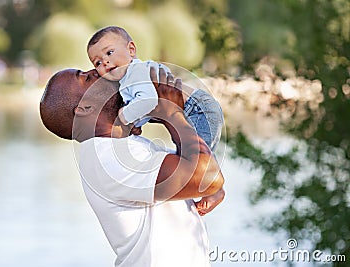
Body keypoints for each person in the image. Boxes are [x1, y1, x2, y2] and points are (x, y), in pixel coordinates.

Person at [40, 67, 225, 267]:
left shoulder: (117, 148)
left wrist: (162, 111)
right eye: (85, 77)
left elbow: (199, 173)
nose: (97, 70)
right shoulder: (108, 159)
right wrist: (171, 112)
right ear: (84, 108)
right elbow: (208, 177)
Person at [86, 26, 225, 214]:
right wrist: (136, 123)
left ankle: (215, 190)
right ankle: (209, 188)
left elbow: (149, 101)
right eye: (98, 63)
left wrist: (125, 117)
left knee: (195, 159)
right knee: (191, 153)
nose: (106, 62)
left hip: (198, 109)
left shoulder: (135, 72)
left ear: (131, 50)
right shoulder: (129, 78)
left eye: (109, 52)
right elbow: (151, 104)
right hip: (193, 108)